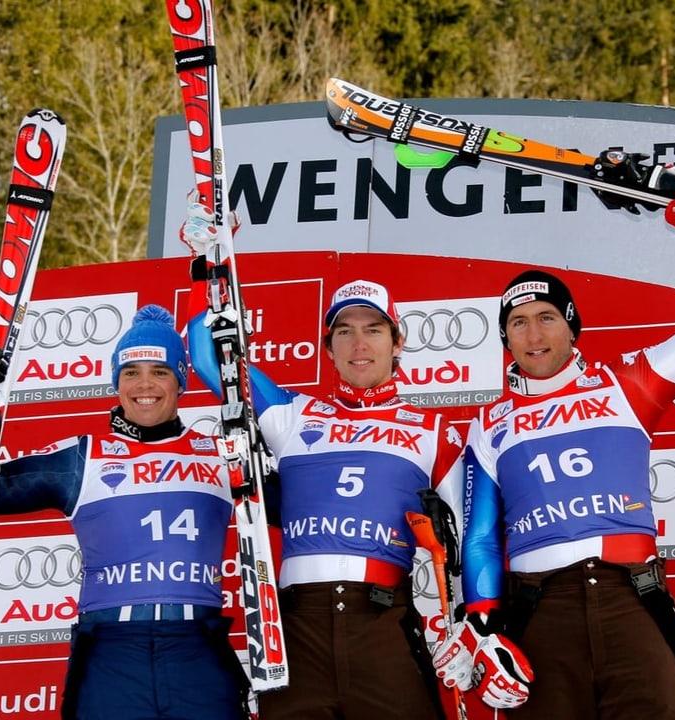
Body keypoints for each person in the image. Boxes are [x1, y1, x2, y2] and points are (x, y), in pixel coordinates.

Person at [433, 196, 675, 718]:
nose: (534, 334)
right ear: (504, 338)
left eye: (545, 318)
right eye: (518, 323)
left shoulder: (626, 384)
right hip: (540, 611)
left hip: (630, 597)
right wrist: (483, 624)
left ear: (571, 325)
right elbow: (478, 537)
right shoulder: (489, 424)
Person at [181, 207, 466, 720]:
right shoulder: (292, 415)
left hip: (384, 620)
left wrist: (468, 627)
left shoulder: (434, 431)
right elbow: (207, 353)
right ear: (327, 347)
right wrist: (211, 264)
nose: (359, 344)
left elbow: (471, 540)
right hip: (296, 629)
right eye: (344, 332)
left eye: (374, 330)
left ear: (397, 342)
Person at [0, 305, 251, 720]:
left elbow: (297, 504)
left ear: (180, 381)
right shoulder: (83, 457)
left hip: (196, 646)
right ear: (116, 383)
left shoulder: (223, 454)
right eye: (131, 373)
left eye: (160, 371)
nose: (145, 384)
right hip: (111, 649)